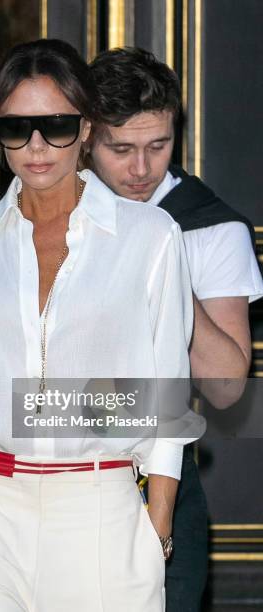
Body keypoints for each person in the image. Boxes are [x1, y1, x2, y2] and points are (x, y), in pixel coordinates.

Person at [0, 39, 202, 612]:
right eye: (16, 128)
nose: (36, 146)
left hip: (101, 510)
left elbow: (166, 394)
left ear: (85, 128)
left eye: (56, 125)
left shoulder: (149, 237)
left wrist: (156, 523)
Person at [88, 46, 263, 612]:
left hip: (161, 472)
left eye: (157, 146)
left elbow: (228, 387)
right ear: (86, 137)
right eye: (122, 149)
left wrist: (164, 269)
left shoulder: (208, 228)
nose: (142, 169)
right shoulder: (42, 215)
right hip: (43, 462)